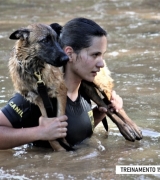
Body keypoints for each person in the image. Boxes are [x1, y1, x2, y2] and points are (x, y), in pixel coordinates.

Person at [0, 17, 123, 150]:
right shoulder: (35, 95)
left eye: (102, 56)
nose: (101, 63)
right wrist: (39, 132)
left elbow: (77, 133)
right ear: (69, 54)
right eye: (94, 55)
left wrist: (102, 111)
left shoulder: (85, 90)